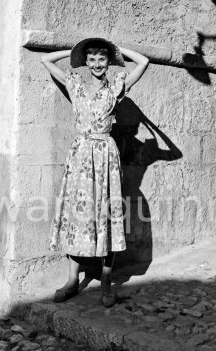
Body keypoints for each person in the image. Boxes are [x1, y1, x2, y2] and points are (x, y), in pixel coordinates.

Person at [40, 37, 149, 307]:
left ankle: (107, 284)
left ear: (108, 62)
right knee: (76, 215)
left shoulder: (115, 86)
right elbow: (46, 60)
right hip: (80, 155)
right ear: (85, 63)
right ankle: (72, 280)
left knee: (107, 216)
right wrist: (76, 51)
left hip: (105, 157)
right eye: (91, 59)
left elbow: (143, 62)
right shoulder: (74, 84)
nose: (97, 64)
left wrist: (117, 51)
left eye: (102, 59)